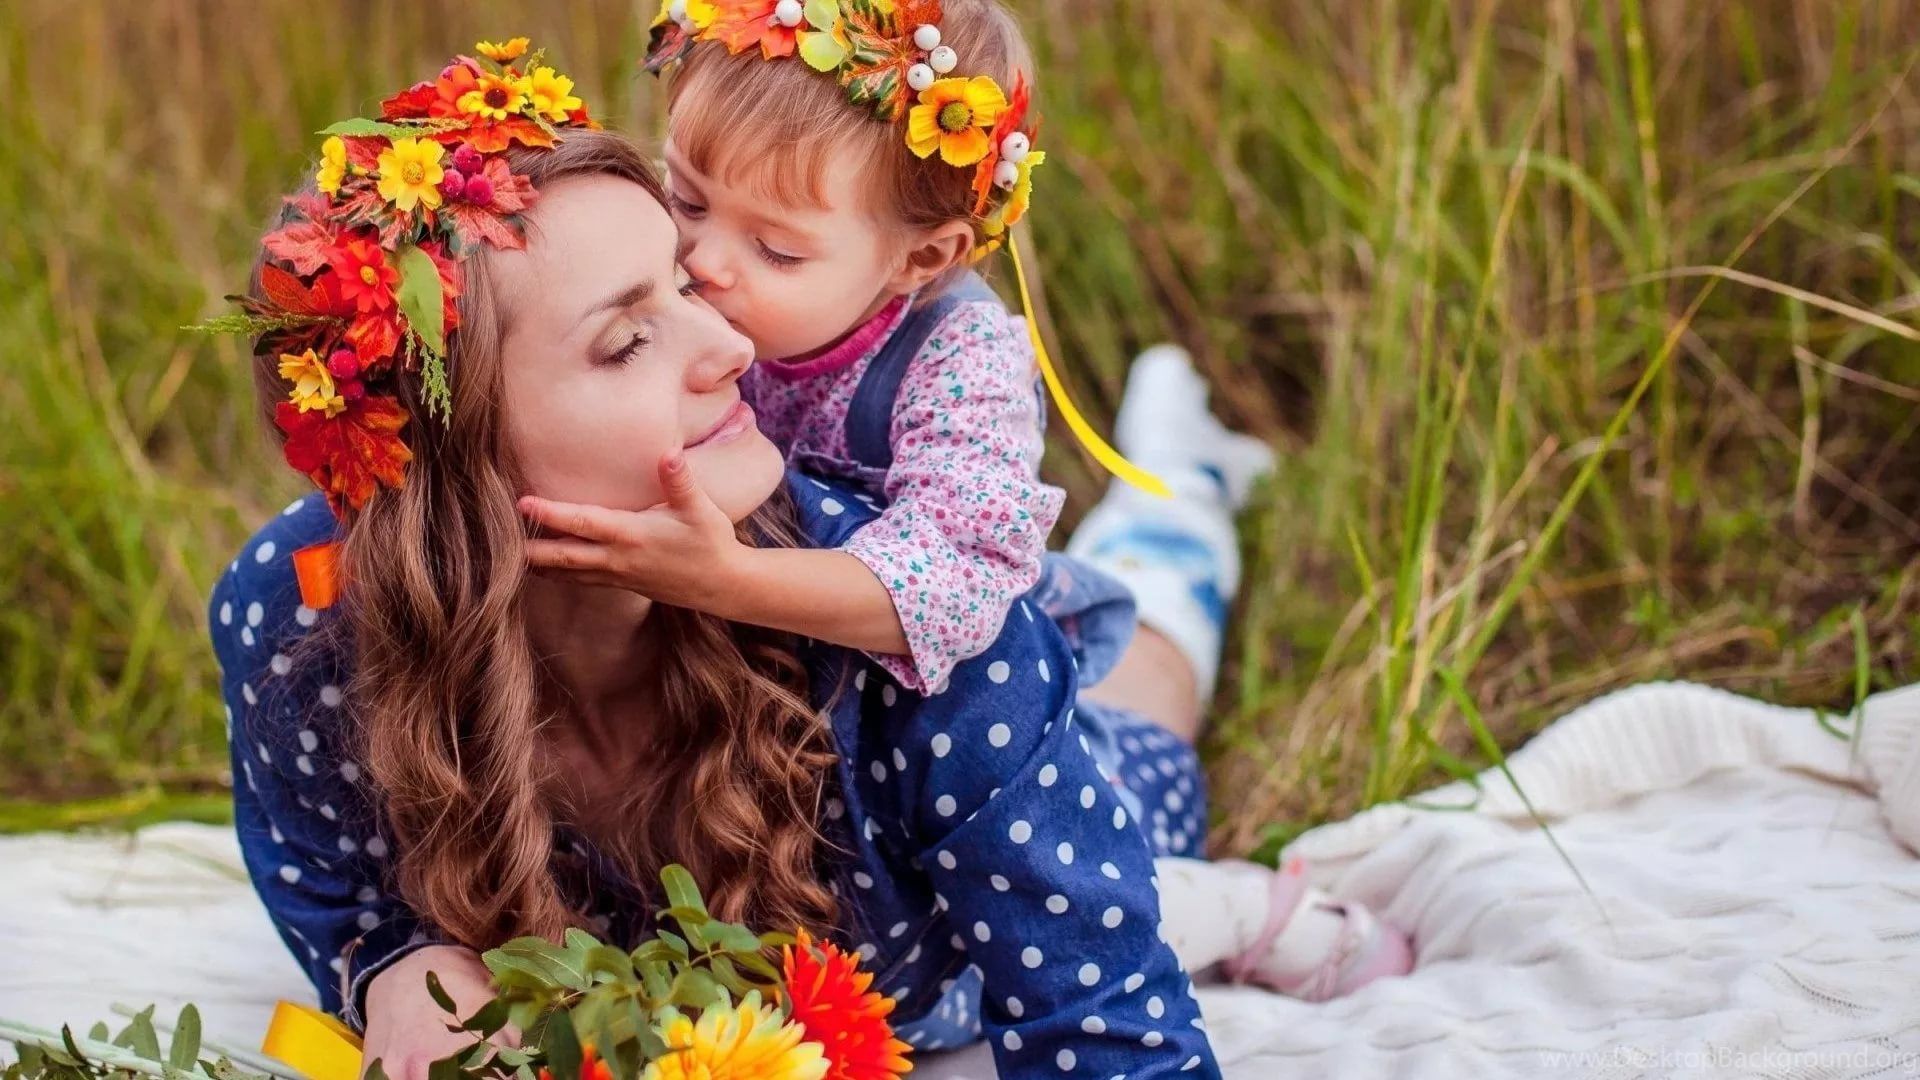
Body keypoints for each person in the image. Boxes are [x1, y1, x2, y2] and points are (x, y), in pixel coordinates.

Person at [208, 39, 1408, 1080]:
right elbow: (346, 896)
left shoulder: (903, 628)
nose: (731, 341)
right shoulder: (306, 616)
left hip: (1021, 780)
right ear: (451, 457)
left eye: (686, 285)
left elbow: (1097, 1010)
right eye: (631, 336)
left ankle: (1183, 481)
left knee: (1140, 707)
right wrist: (398, 967)